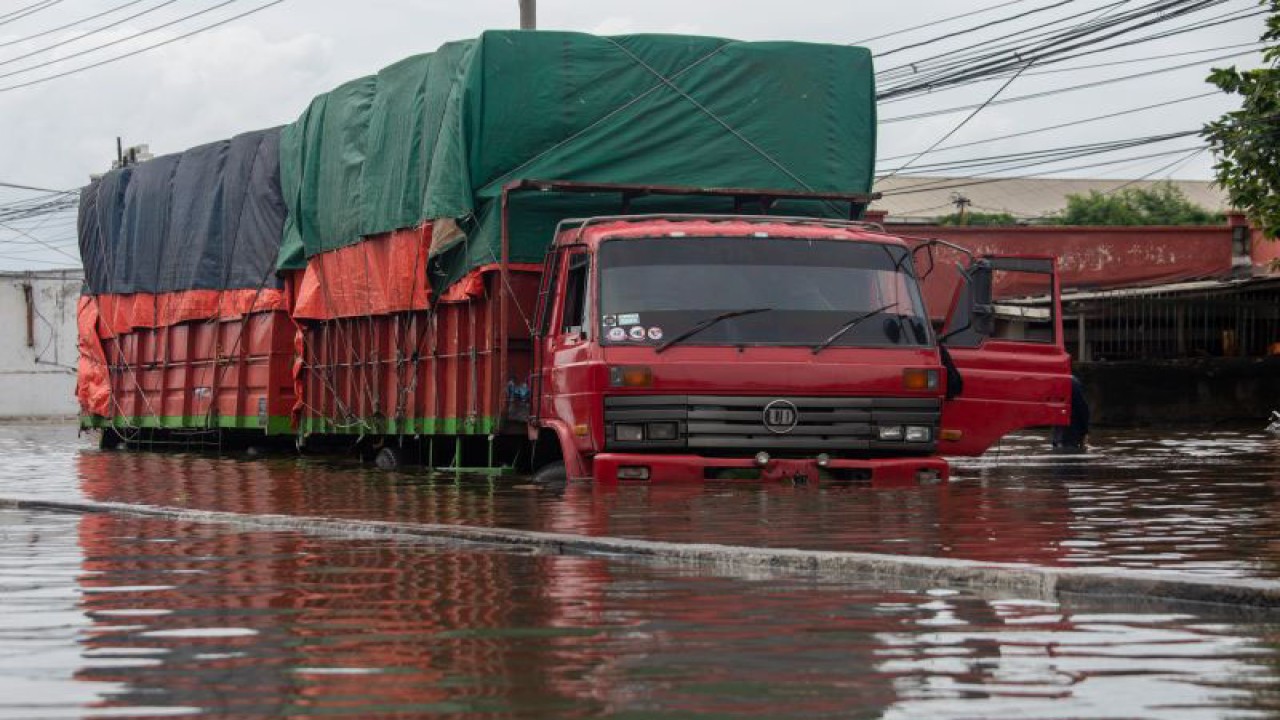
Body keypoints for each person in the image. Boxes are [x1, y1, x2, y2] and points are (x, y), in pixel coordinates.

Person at [1051, 376, 1090, 451]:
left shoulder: (1054, 382)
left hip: (1058, 435)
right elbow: (1083, 409)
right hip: (1072, 433)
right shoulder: (1073, 382)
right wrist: (1085, 431)